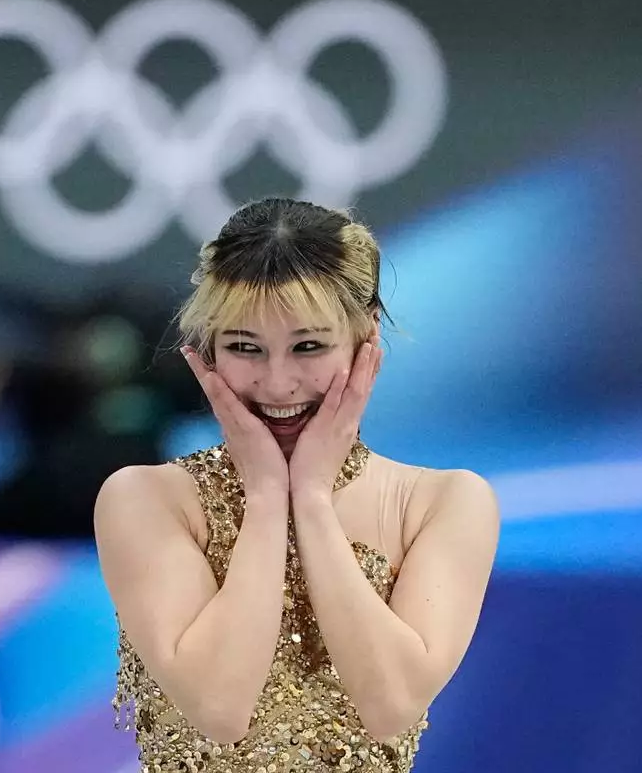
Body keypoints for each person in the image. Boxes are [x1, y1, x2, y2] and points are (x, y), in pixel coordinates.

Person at [94, 198, 500, 771]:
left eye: (308, 346)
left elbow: (390, 705)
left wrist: (310, 499)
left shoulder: (442, 503)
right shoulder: (146, 499)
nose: (278, 383)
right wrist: (265, 498)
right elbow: (219, 709)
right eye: (245, 348)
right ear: (208, 350)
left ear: (365, 338)